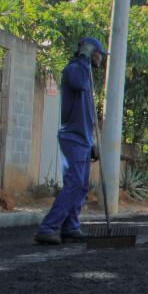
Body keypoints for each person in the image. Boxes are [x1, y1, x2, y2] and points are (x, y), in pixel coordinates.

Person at [34, 37, 108, 245]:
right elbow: (78, 83)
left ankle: (70, 227)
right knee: (74, 183)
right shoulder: (75, 69)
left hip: (83, 139)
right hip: (73, 138)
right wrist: (84, 58)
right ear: (91, 52)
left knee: (82, 185)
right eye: (99, 53)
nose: (101, 58)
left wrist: (92, 141)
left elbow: (88, 114)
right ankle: (47, 228)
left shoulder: (86, 73)